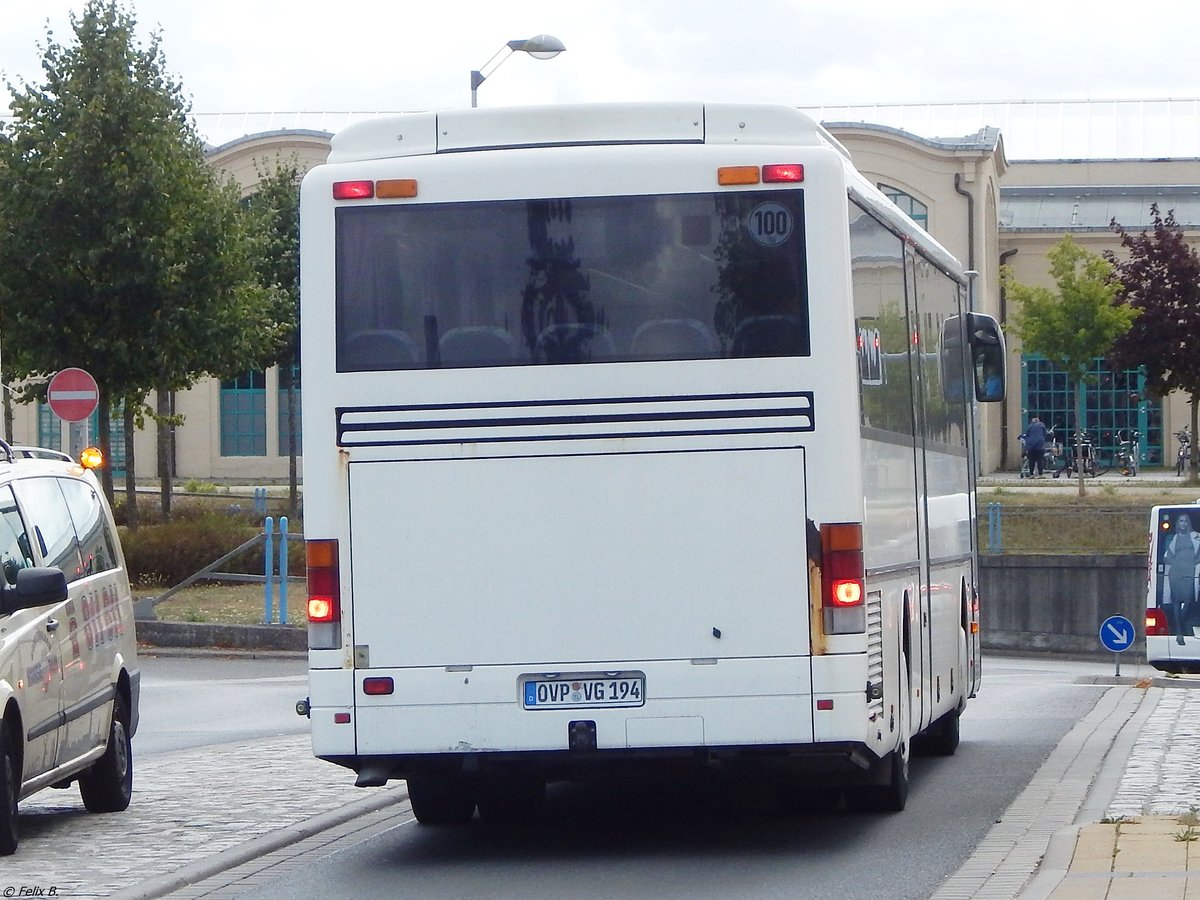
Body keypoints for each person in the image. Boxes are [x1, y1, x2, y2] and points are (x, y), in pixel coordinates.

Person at [1164, 512, 1200, 645]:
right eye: (1181, 521)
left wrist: (1194, 563)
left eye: (1185, 521)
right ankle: (1179, 630)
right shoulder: (1172, 538)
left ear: (1188, 523)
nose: (1183, 523)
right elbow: (1167, 556)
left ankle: (1180, 625)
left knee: (1189, 600)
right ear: (1177, 524)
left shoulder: (1195, 537)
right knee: (1176, 602)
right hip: (1176, 572)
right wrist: (1176, 562)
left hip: (1190, 572)